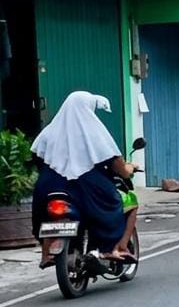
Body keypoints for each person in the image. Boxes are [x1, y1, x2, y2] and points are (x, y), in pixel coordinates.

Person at [30, 92, 138, 267]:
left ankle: (46, 253)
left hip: (50, 185)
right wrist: (129, 169)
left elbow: (37, 156)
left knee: (43, 210)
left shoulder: (49, 132)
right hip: (85, 185)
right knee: (113, 203)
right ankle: (108, 248)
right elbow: (117, 164)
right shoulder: (94, 132)